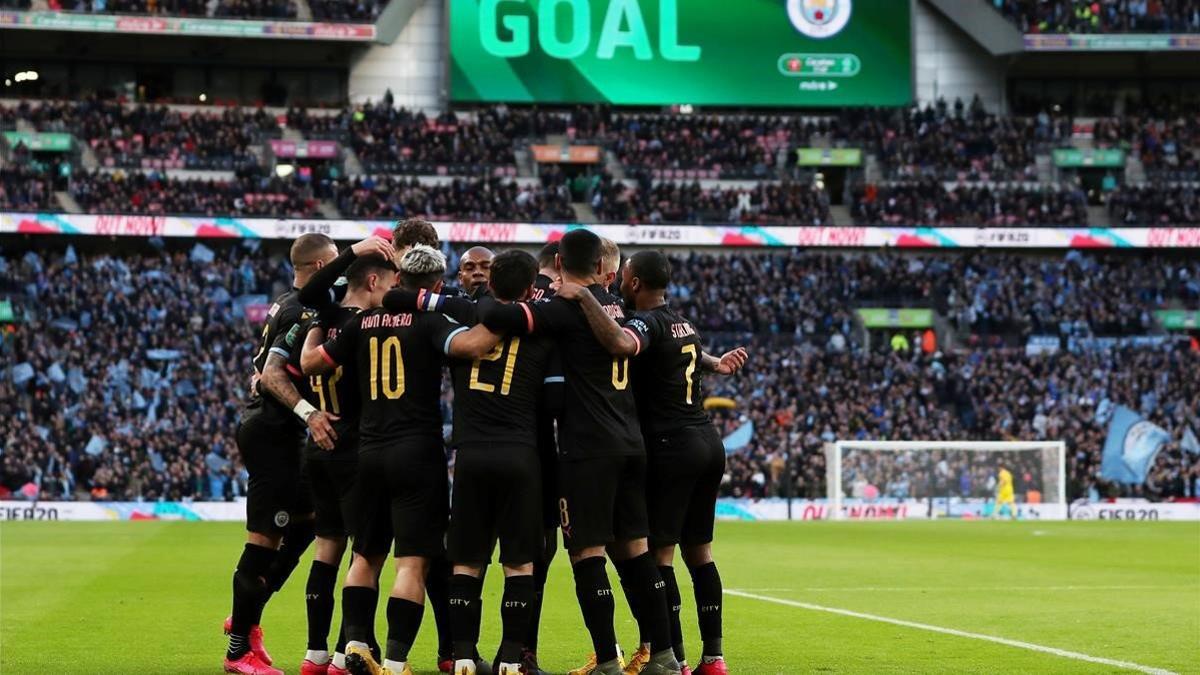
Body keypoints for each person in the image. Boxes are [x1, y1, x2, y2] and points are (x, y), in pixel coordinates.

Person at [480, 230, 683, 675]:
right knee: (636, 551)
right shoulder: (617, 306)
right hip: (632, 443)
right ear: (600, 266)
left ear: (557, 259)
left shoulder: (561, 309)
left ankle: (607, 660)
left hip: (587, 450)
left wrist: (431, 304)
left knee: (586, 555)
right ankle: (665, 655)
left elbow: (500, 314)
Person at [303, 245, 501, 675]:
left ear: (399, 280)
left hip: (368, 451)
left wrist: (318, 325)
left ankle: (355, 642)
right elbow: (469, 346)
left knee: (364, 555)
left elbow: (314, 364)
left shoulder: (361, 322)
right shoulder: (431, 321)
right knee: (412, 562)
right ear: (435, 285)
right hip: (416, 452)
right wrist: (509, 318)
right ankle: (394, 662)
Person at [556, 251, 747, 675]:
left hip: (672, 445)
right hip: (707, 441)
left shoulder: (646, 322)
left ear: (636, 283)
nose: (619, 281)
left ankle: (670, 656)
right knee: (701, 553)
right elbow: (689, 357)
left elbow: (624, 343)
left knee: (658, 557)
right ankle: (713, 659)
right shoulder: (683, 322)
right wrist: (717, 362)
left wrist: (584, 298)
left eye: (624, 276)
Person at [224, 233, 343, 675]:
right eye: (335, 264)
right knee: (262, 544)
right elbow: (272, 375)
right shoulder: (300, 309)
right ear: (317, 268)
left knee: (308, 523)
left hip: (281, 435)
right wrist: (310, 412)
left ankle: (246, 616)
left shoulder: (284, 303)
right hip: (272, 434)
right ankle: (238, 650)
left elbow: (265, 368)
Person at [440, 250, 558, 675]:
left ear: (490, 283)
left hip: (470, 453)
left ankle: (465, 655)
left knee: (466, 562)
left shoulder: (462, 321)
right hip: (520, 454)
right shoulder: (543, 330)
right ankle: (511, 658)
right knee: (520, 563)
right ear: (531, 289)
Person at [292, 240, 397, 675]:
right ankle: (345, 651)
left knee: (326, 548)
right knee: (365, 555)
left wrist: (350, 253)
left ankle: (315, 652)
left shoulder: (326, 318)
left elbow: (308, 295)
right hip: (356, 447)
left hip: (318, 446)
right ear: (373, 281)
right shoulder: (372, 326)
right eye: (391, 282)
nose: (394, 291)